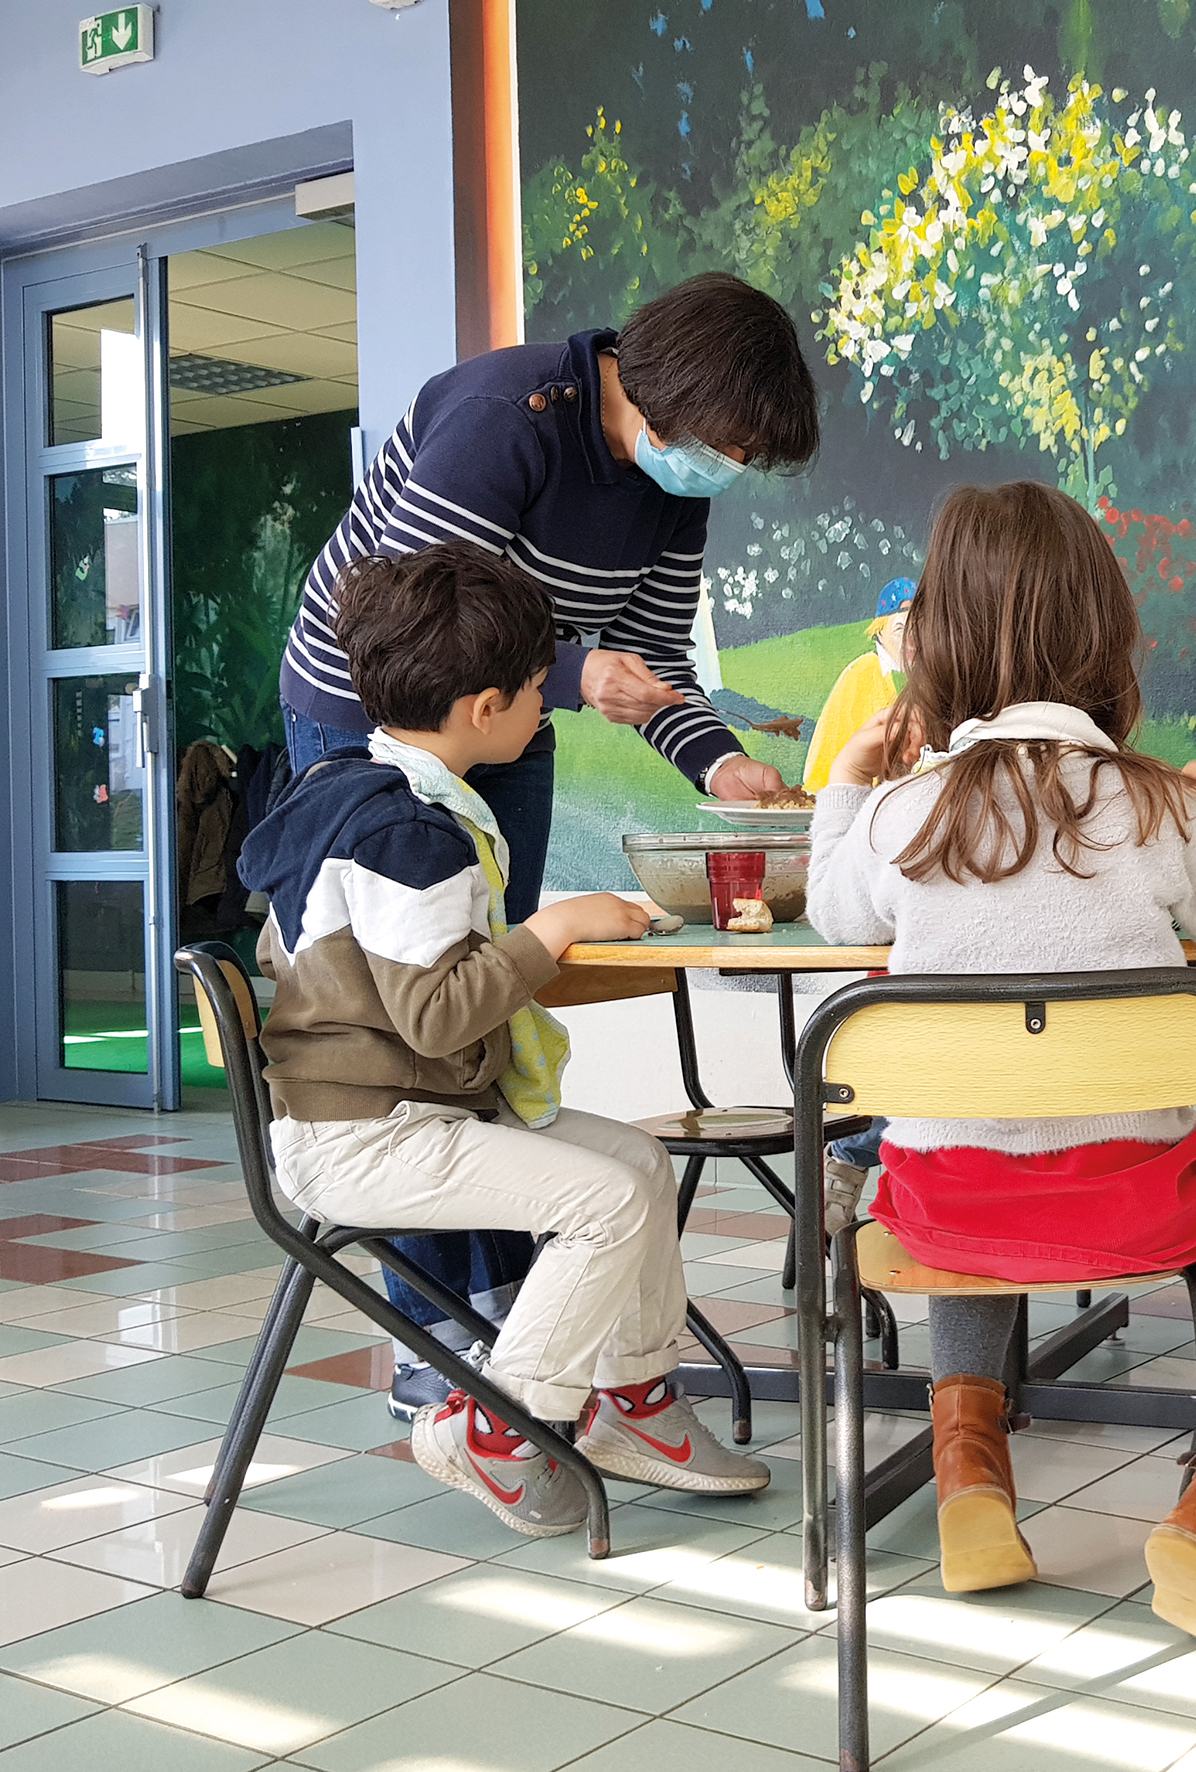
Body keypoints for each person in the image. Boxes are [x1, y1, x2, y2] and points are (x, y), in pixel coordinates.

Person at [277, 273, 819, 1417]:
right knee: (405, 1031)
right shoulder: (503, 420)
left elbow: (653, 663)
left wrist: (721, 764)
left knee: (478, 1004)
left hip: (510, 708)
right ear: (667, 399)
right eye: (727, 445)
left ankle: (513, 1322)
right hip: (376, 705)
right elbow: (423, 614)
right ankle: (437, 1347)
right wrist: (571, 673)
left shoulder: (671, 488)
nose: (727, 468)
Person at [806, 481, 1196, 1642]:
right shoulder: (1160, 805)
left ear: (936, 645)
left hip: (944, 1208)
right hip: (1141, 1202)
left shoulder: (902, 813)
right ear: (1106, 635)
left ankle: (971, 1487)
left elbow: (835, 912)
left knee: (969, 1175)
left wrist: (846, 785)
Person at [239, 543, 771, 1535]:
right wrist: (551, 929)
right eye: (537, 690)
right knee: (608, 1203)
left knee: (638, 1162)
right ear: (486, 709)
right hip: (370, 1137)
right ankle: (500, 1424)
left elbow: (310, 956)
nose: (545, 707)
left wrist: (529, 940)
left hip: (388, 1114)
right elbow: (439, 1014)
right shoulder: (408, 835)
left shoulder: (351, 790)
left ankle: (636, 1402)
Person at [802, 576, 917, 792]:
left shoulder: (928, 677)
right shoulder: (864, 672)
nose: (911, 640)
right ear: (880, 631)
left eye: (918, 628)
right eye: (900, 630)